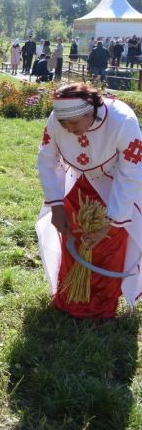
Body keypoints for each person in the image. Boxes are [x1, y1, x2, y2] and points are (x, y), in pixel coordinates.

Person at [36, 83, 142, 319]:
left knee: (108, 247)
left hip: (115, 190)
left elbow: (132, 172)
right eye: (64, 125)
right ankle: (70, 299)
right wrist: (56, 205)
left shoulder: (122, 120)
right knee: (72, 240)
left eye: (74, 123)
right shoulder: (58, 118)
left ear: (91, 111)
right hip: (77, 186)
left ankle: (101, 308)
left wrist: (113, 221)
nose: (69, 129)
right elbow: (47, 159)